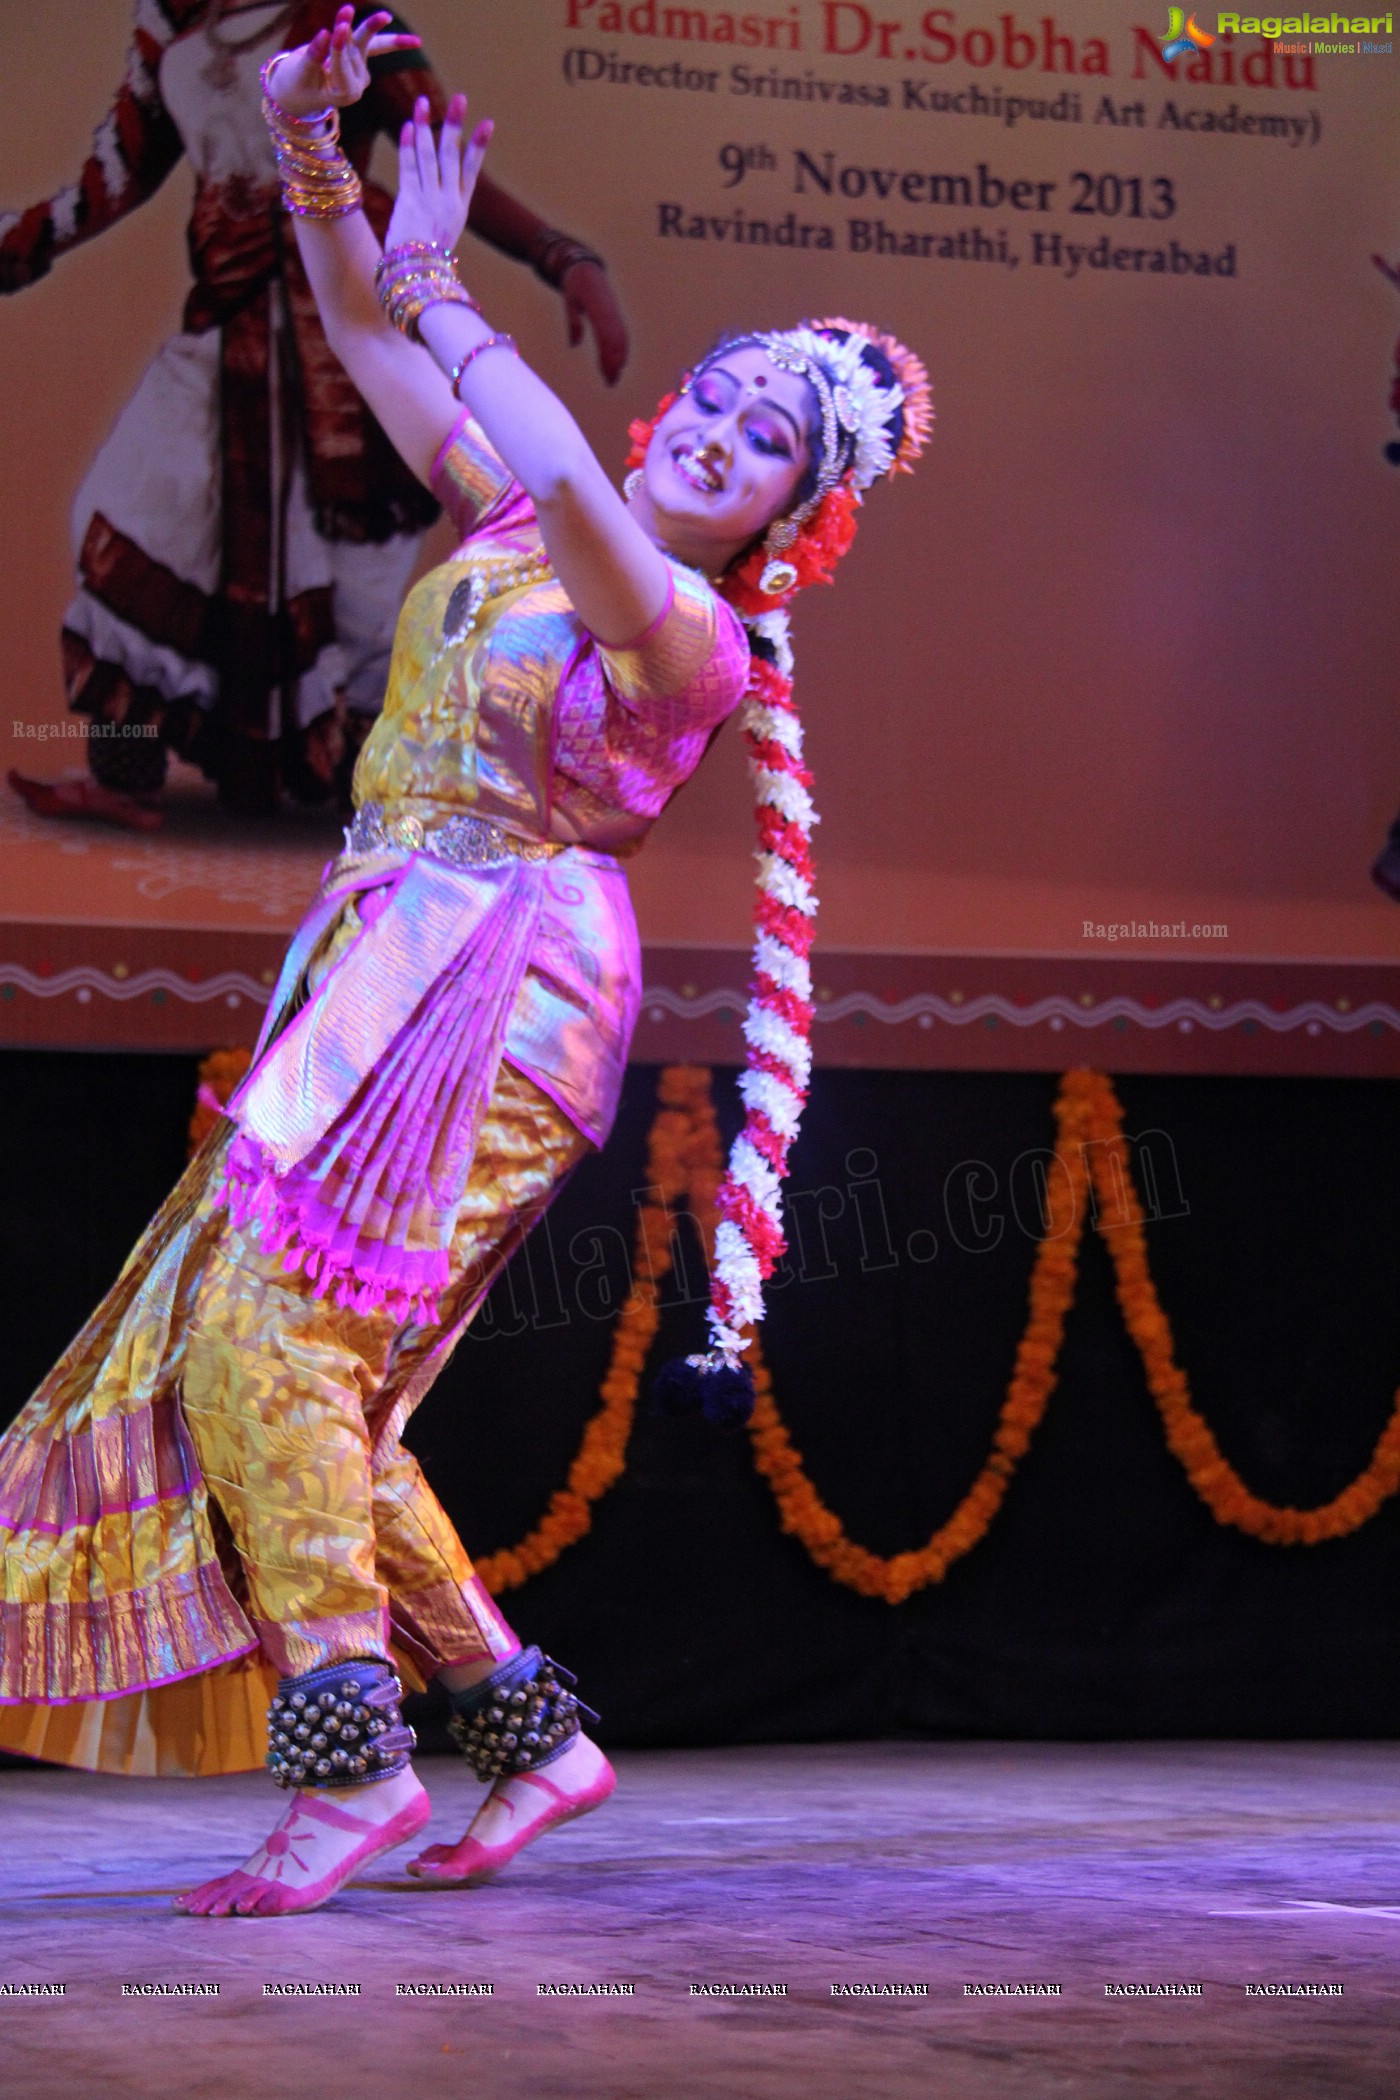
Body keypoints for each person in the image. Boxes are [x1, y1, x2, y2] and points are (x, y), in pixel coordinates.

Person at [0, 8, 930, 1918]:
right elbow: (354, 329)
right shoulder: (509, 510)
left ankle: (344, 1763)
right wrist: (318, 163)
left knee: (271, 1337)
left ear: (785, 522)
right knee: (304, 1365)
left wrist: (451, 287)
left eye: (772, 447)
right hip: (379, 954)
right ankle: (524, 1733)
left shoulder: (687, 628)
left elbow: (579, 495)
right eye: (726, 398)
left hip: (506, 984)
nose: (728, 437)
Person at [2, 0, 628, 826]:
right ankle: (125, 773)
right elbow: (115, 175)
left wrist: (563, 256)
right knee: (129, 516)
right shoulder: (173, 19)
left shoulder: (347, 17)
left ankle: (375, 809)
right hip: (228, 325)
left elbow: (442, 158)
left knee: (356, 592)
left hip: (341, 328)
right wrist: (17, 239)